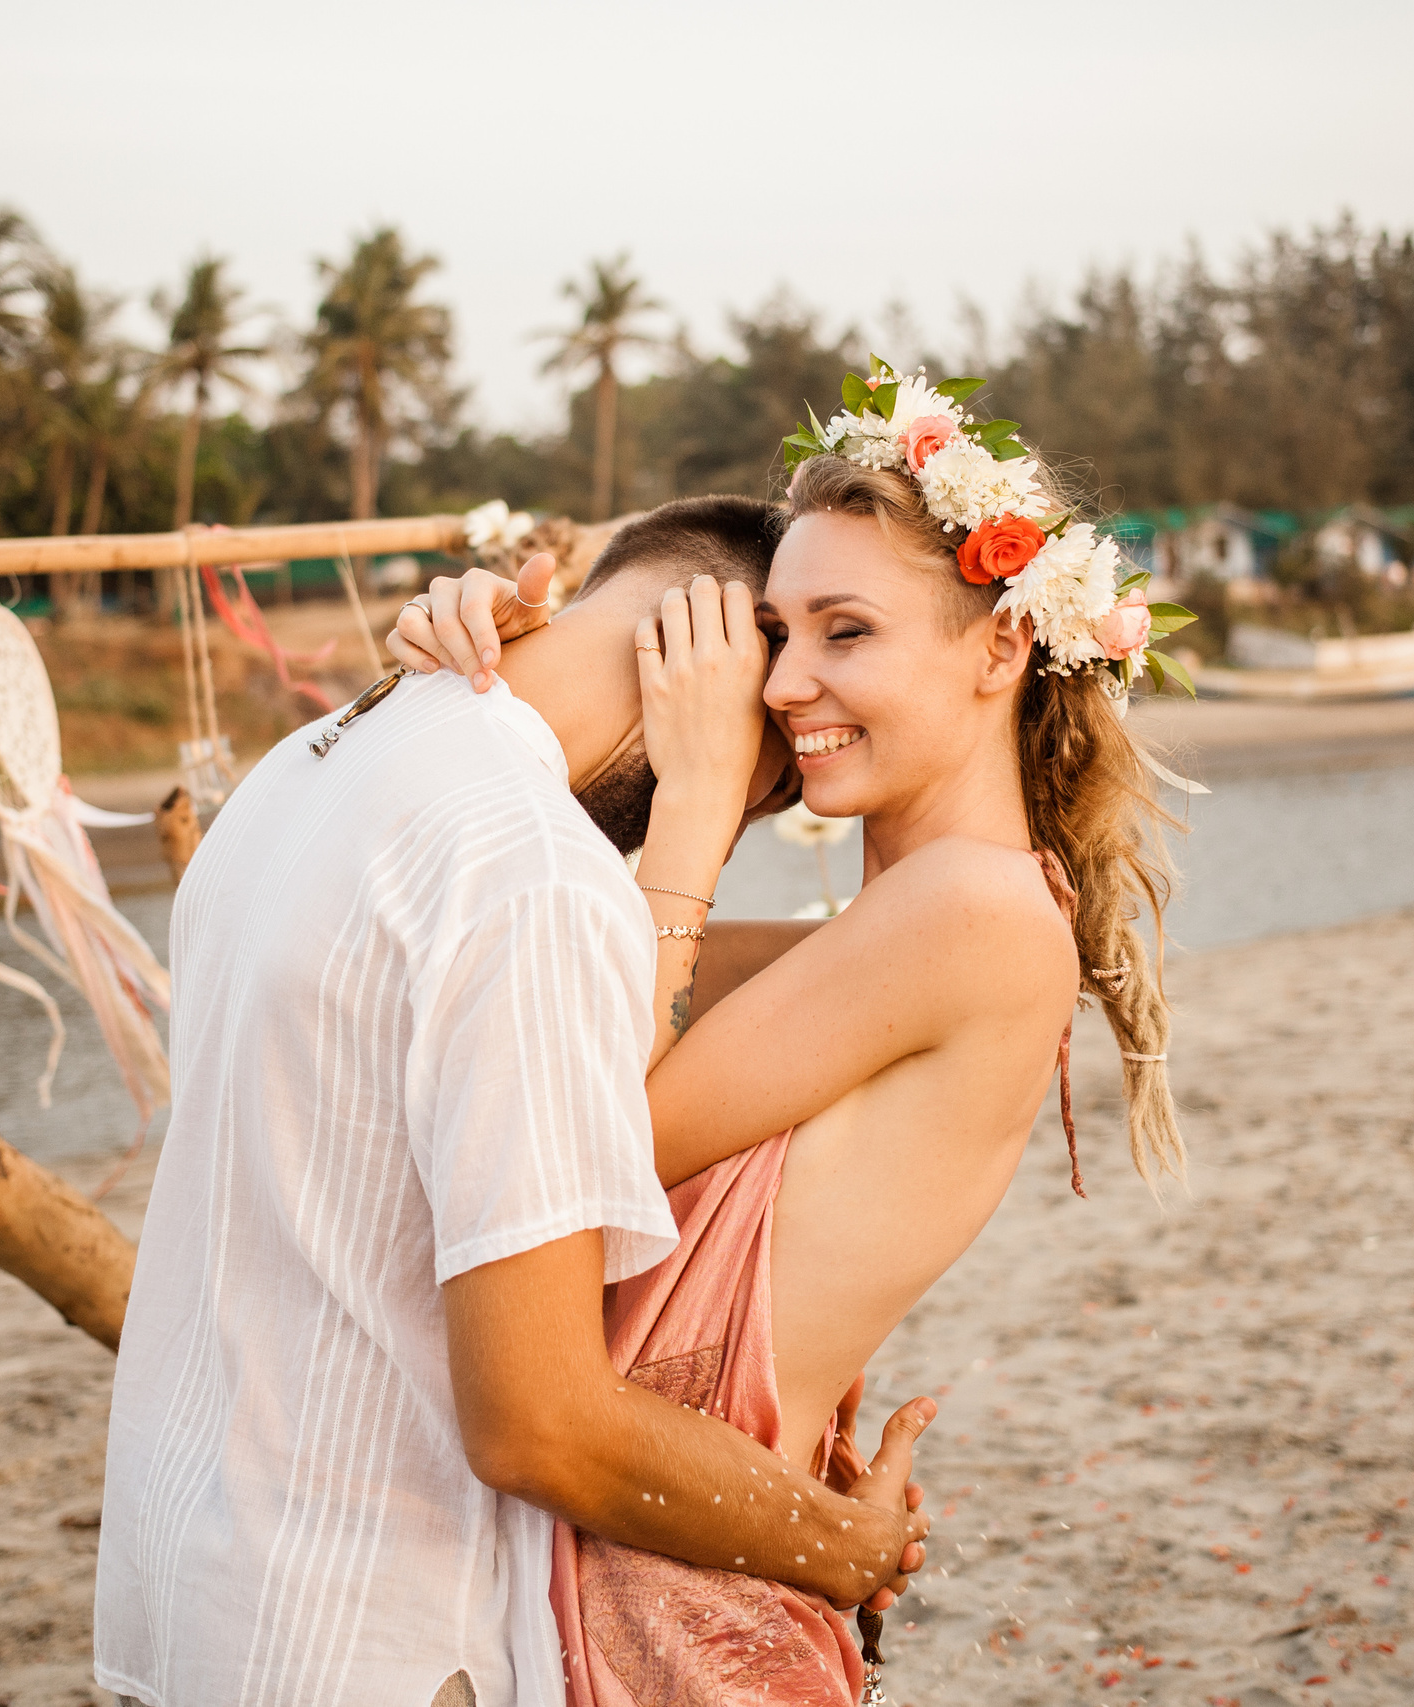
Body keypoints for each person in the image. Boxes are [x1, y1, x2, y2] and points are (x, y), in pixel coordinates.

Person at [387, 361, 1193, 1705]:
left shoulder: (966, 909)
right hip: (674, 1566)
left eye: (847, 632)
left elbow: (583, 1135)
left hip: (677, 1604)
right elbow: (573, 981)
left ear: (1004, 644)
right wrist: (496, 652)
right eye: (779, 631)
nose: (783, 681)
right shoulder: (925, 922)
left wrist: (699, 810)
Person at [94, 495, 938, 1707]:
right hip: (370, 1633)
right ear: (717, 655)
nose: (758, 808)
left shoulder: (315, 758)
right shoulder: (533, 875)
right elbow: (540, 1422)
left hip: (187, 1591)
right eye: (770, 788)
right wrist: (838, 1546)